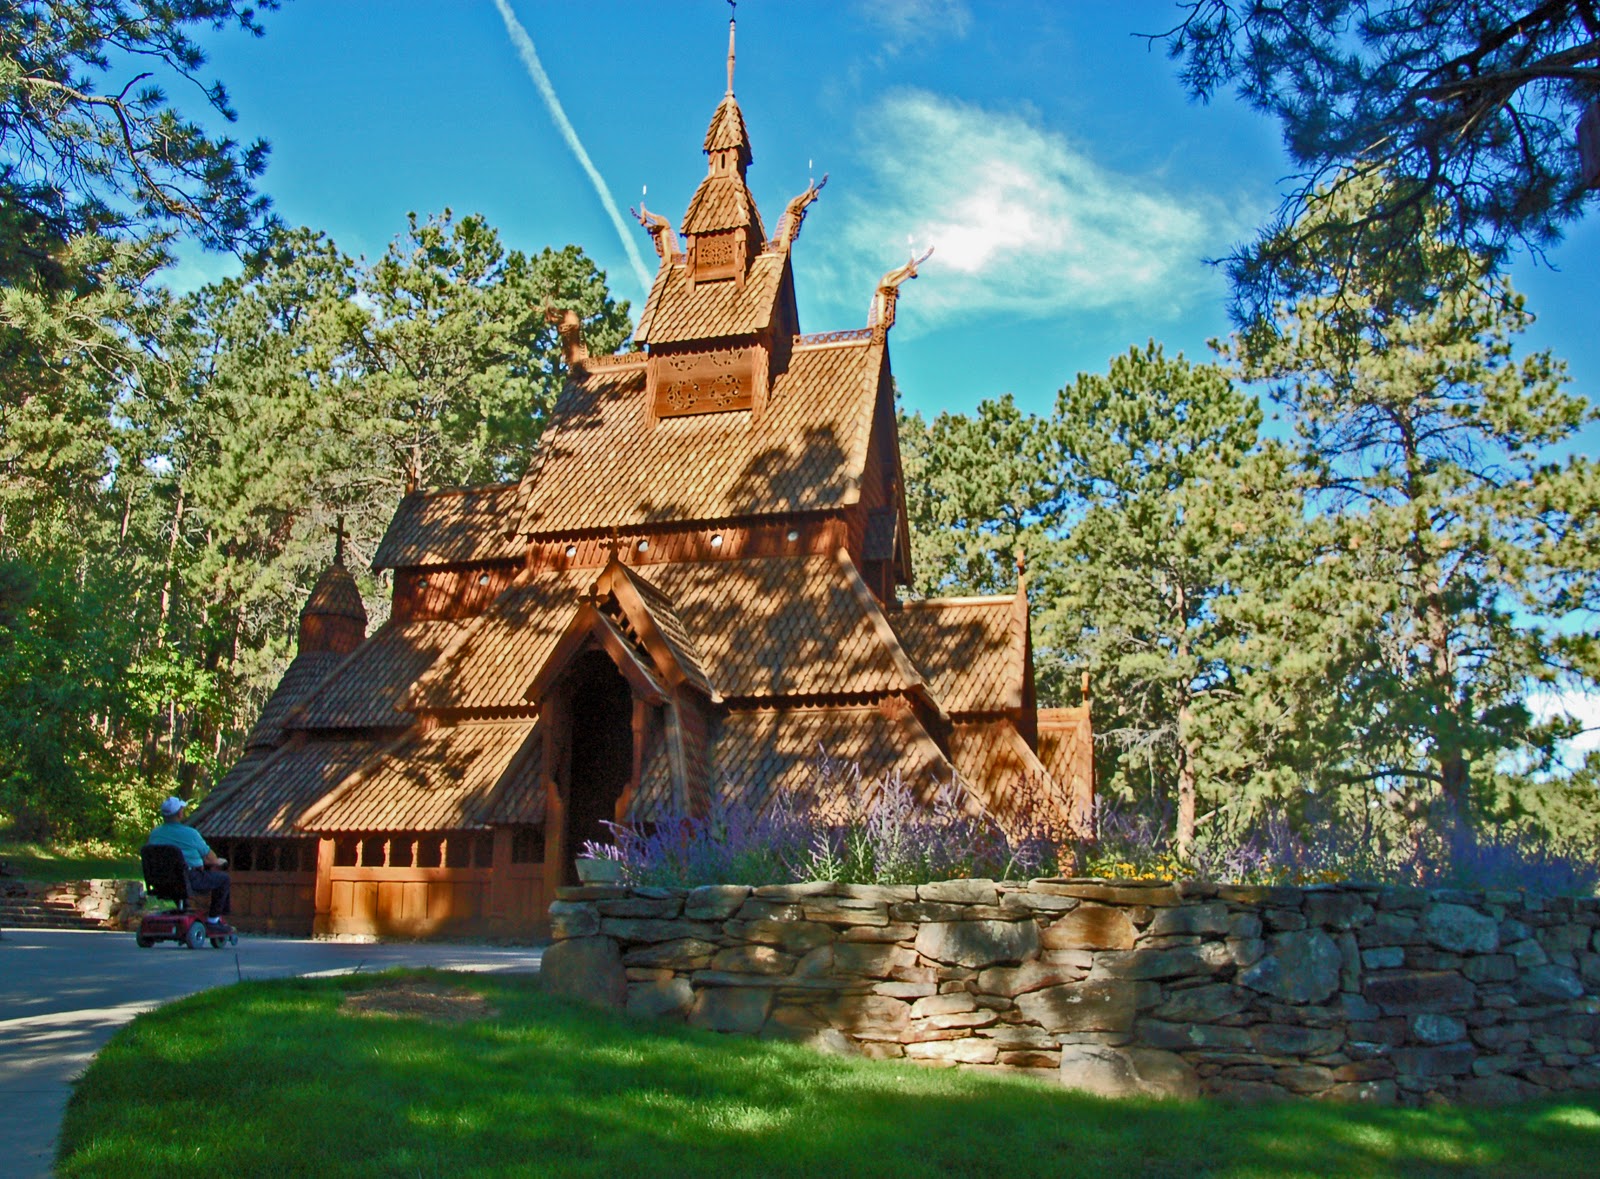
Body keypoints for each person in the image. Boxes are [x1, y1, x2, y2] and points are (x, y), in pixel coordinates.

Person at [147, 796, 232, 926]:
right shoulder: (190, 834)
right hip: (189, 878)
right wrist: (219, 861)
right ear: (180, 813)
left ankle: (185, 908)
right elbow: (211, 859)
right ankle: (213, 919)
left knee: (178, 880)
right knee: (223, 879)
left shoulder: (155, 834)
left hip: (160, 880)